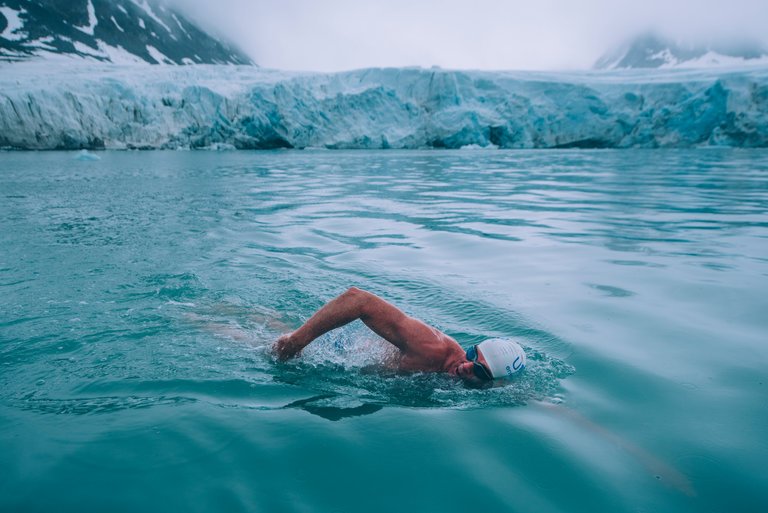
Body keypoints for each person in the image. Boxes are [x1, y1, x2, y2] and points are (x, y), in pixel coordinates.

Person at [273, 287, 526, 385]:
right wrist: (295, 343)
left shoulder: (490, 387)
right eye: (472, 354)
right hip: (334, 351)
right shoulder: (432, 347)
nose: (466, 365)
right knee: (256, 340)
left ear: (492, 384)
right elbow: (357, 299)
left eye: (479, 371)